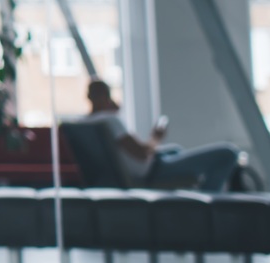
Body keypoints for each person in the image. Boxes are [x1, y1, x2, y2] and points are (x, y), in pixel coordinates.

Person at [83, 79, 245, 192]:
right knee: (228, 153)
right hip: (152, 171)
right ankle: (208, 200)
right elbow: (141, 153)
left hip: (150, 164)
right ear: (107, 96)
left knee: (175, 149)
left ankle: (201, 189)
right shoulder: (111, 120)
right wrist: (156, 137)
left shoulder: (86, 123)